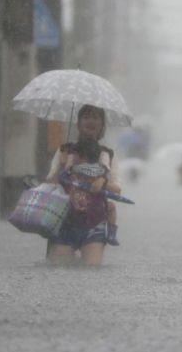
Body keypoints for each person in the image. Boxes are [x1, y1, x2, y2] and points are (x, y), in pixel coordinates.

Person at [45, 105, 122, 266]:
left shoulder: (107, 155)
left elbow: (117, 189)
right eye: (86, 117)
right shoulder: (65, 151)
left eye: (95, 118)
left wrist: (103, 182)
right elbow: (49, 184)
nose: (91, 121)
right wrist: (60, 165)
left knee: (91, 269)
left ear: (102, 124)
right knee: (56, 269)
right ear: (79, 122)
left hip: (94, 224)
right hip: (64, 223)